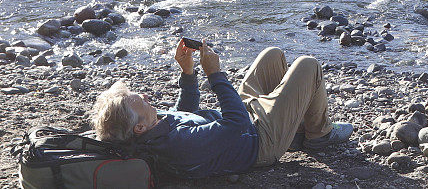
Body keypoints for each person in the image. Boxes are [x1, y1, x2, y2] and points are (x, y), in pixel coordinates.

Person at [90, 39, 353, 178]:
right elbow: (235, 124)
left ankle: (293, 128)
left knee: (273, 56)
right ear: (139, 127)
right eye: (143, 101)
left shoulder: (154, 133)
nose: (147, 96)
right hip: (259, 141)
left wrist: (189, 73)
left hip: (247, 123)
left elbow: (185, 112)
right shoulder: (179, 144)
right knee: (308, 65)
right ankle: (319, 135)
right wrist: (215, 75)